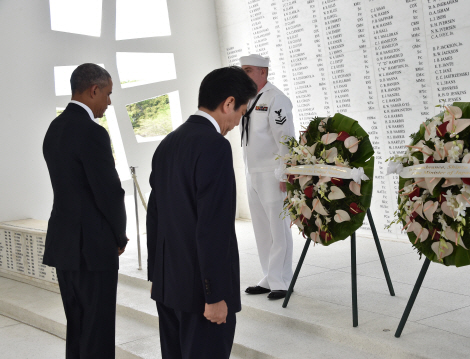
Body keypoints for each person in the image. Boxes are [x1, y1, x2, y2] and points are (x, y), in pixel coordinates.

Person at [147, 66, 257, 359]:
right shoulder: (215, 146)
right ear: (229, 103)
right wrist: (216, 295)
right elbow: (213, 228)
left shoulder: (167, 144)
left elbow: (154, 216)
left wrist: (157, 278)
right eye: (241, 113)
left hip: (169, 288)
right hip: (201, 297)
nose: (236, 123)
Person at [42, 63, 129, 358]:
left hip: (64, 245)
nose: (108, 101)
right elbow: (109, 192)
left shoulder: (54, 128)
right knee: (98, 328)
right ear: (94, 90)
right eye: (107, 94)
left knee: (77, 325)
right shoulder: (92, 132)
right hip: (93, 247)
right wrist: (119, 236)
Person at [240, 54, 296, 300]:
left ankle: (282, 279)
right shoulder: (248, 99)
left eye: (249, 70)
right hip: (252, 172)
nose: (244, 74)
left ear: (263, 72)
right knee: (262, 228)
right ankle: (268, 275)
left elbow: (285, 138)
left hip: (273, 173)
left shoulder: (276, 98)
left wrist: (285, 171)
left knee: (278, 228)